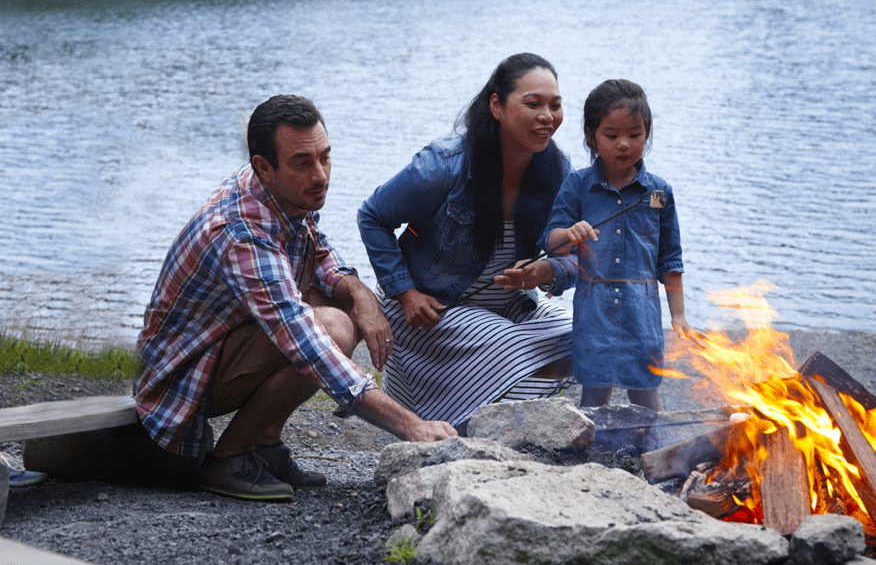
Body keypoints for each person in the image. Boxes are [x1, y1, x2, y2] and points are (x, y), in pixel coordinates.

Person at [135, 95, 455, 502]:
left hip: (224, 346)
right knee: (332, 328)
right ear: (263, 166)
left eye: (325, 157)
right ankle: (228, 459)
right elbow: (305, 342)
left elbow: (317, 251)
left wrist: (361, 293)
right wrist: (410, 425)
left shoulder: (277, 190)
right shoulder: (242, 232)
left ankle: (265, 447)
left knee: (338, 303)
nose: (320, 175)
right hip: (178, 384)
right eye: (303, 162)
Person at [357, 53, 576, 432]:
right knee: (510, 347)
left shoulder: (557, 170)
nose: (547, 116)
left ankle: (468, 418)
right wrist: (405, 292)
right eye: (533, 104)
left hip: (510, 308)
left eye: (555, 105)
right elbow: (372, 216)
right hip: (434, 309)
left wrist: (548, 271)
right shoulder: (444, 164)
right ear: (496, 105)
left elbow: (572, 257)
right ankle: (453, 423)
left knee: (587, 334)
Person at [542, 79, 702, 412]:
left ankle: (652, 452)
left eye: (635, 134)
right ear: (591, 136)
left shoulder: (658, 194)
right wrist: (570, 232)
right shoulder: (578, 184)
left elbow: (670, 259)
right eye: (611, 136)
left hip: (641, 311)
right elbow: (552, 242)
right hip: (593, 310)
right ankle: (584, 452)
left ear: (647, 135)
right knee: (593, 395)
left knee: (645, 393)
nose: (624, 145)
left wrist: (680, 316)